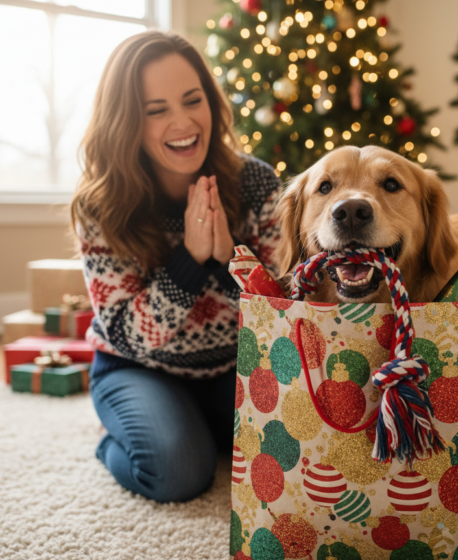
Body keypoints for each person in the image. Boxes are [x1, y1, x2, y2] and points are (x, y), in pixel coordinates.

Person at [70, 30, 281, 503]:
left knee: (297, 447)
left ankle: (195, 422)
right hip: (137, 369)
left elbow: (279, 320)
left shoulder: (255, 184)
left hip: (230, 366)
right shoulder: (101, 205)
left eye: (193, 100)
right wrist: (190, 259)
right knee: (180, 473)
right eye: (156, 110)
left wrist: (229, 261)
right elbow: (128, 334)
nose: (184, 122)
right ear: (127, 121)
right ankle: (115, 440)